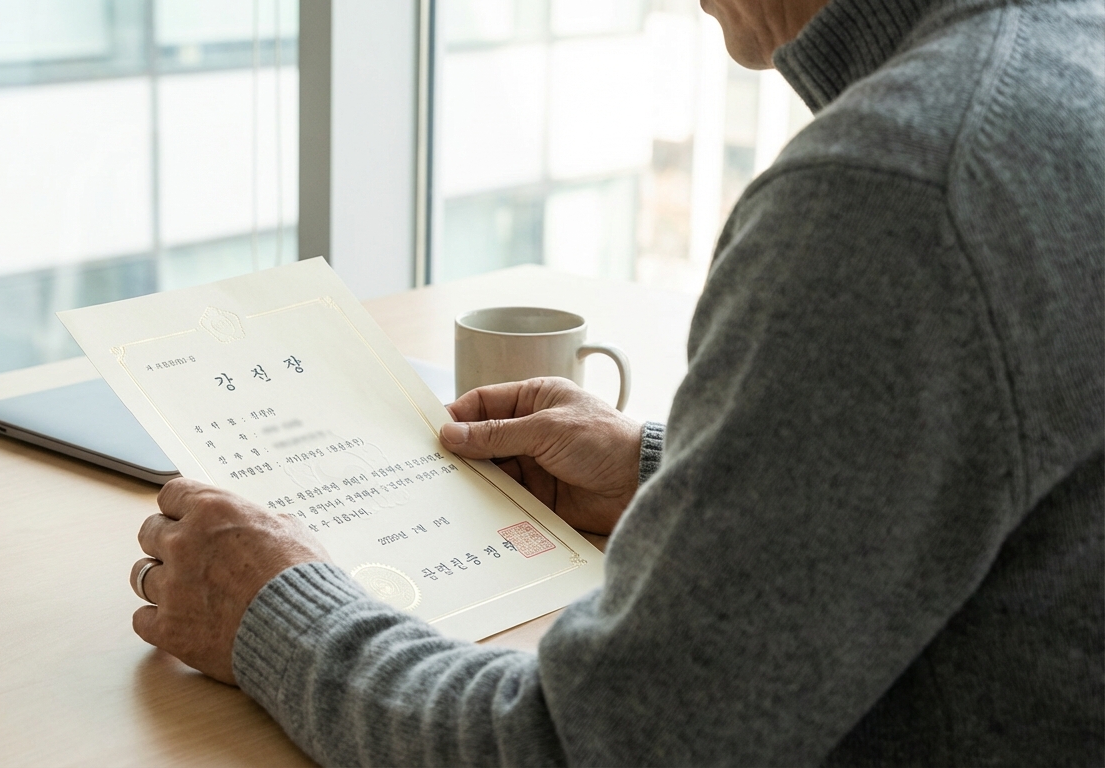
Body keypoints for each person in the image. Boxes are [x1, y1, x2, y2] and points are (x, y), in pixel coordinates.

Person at [127, 0, 1105, 760]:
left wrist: (269, 613)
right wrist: (667, 470)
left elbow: (586, 750)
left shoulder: (891, 194)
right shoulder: (1062, 62)